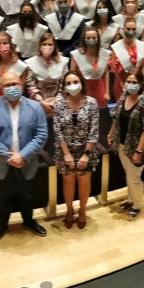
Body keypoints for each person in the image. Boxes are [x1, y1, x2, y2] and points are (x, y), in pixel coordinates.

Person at [0, 71, 49, 243]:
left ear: (22, 85)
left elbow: (41, 135)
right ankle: (1, 226)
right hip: (1, 163)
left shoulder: (35, 107)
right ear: (0, 87)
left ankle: (29, 221)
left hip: (28, 162)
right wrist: (9, 157)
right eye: (7, 85)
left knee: (27, 196)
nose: (12, 88)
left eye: (15, 84)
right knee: (4, 197)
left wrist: (22, 156)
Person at [54, 71, 100, 229]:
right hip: (65, 150)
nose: (72, 85)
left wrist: (86, 155)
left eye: (75, 82)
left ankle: (82, 211)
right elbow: (57, 130)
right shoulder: (59, 103)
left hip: (85, 150)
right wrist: (66, 153)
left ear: (81, 83)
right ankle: (69, 210)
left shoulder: (91, 103)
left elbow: (94, 130)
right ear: (64, 87)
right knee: (68, 181)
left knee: (84, 181)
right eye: (68, 83)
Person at [109, 72, 144, 220]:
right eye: (128, 81)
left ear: (140, 84)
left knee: (134, 177)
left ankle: (137, 205)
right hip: (123, 144)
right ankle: (131, 200)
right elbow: (116, 116)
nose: (131, 85)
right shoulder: (124, 96)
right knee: (128, 174)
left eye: (134, 82)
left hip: (137, 147)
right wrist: (111, 133)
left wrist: (139, 151)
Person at [110, 17, 144, 100]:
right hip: (120, 83)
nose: (131, 31)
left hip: (138, 83)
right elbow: (115, 69)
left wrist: (142, 83)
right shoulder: (116, 47)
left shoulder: (143, 46)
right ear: (123, 29)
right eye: (128, 29)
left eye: (133, 29)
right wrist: (122, 84)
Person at [70, 27, 111, 107]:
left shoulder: (104, 53)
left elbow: (106, 73)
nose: (91, 40)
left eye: (93, 38)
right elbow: (72, 75)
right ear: (84, 39)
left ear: (98, 39)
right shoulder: (76, 55)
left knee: (101, 111)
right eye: (88, 38)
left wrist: (107, 92)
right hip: (83, 90)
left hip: (100, 90)